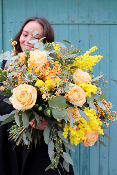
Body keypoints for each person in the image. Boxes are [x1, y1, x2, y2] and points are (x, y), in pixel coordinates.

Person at [0, 17, 74, 175]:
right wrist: (24, 111)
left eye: (35, 37)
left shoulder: (55, 68)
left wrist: (47, 119)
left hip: (41, 147)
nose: (27, 40)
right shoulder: (4, 65)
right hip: (7, 143)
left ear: (46, 42)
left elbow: (64, 106)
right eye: (25, 34)